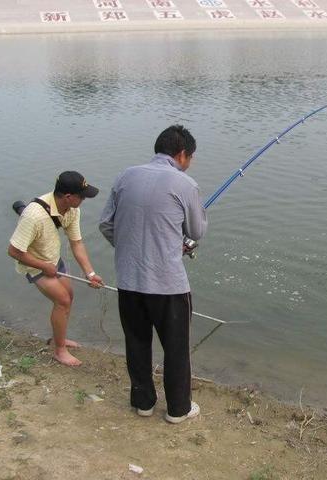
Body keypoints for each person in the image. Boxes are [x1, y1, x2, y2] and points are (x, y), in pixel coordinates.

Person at [99, 125, 207, 424]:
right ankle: (177, 410)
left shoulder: (125, 176)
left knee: (136, 343)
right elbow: (196, 232)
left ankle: (143, 403)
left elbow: (106, 224)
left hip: (129, 281)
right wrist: (173, 245)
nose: (190, 163)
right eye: (191, 157)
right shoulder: (186, 184)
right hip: (168, 286)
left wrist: (132, 250)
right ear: (182, 154)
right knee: (176, 350)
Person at [8, 171, 104, 366]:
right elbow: (14, 251)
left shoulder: (72, 210)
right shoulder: (33, 215)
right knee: (62, 301)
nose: (84, 199)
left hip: (52, 258)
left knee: (69, 296)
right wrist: (43, 265)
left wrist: (90, 273)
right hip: (34, 263)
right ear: (69, 197)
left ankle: (58, 338)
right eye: (82, 196)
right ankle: (59, 351)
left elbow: (76, 243)